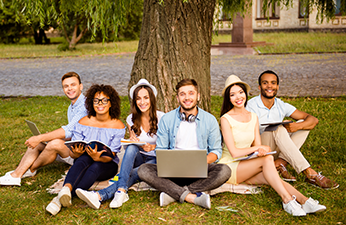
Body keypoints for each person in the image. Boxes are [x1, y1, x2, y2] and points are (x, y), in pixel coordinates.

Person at [218, 75, 326, 216]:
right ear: (228, 98)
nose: (238, 97)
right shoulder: (226, 119)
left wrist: (261, 150)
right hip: (229, 166)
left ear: (245, 93)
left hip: (246, 164)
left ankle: (304, 201)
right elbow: (234, 153)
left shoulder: (253, 117)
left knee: (272, 177)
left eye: (240, 92)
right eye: (232, 94)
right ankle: (287, 200)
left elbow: (258, 146)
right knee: (267, 161)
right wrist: (258, 149)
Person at [137, 78, 231, 209]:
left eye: (191, 93)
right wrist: (169, 161)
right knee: (144, 170)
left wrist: (202, 161)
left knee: (224, 171)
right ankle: (191, 196)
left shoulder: (210, 120)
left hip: (199, 171)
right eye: (182, 94)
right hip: (172, 172)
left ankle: (173, 194)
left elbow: (216, 151)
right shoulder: (167, 119)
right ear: (177, 98)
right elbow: (161, 149)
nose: (187, 97)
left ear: (198, 96)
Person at [0, 72, 87, 187]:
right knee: (38, 144)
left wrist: (40, 137)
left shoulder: (84, 106)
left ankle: (29, 170)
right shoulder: (72, 106)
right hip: (71, 146)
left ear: (81, 86)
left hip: (81, 153)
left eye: (73, 85)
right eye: (66, 86)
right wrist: (46, 138)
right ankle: (16, 174)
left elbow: (68, 130)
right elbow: (72, 133)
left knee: (54, 143)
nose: (69, 89)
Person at [76, 79, 165, 209]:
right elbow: (132, 141)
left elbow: (169, 145)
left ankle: (104, 195)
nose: (142, 102)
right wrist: (133, 141)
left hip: (156, 159)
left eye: (146, 97)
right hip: (139, 157)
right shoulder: (131, 118)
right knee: (132, 146)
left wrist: (153, 147)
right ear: (135, 101)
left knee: (135, 173)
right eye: (138, 98)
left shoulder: (162, 117)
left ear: (152, 99)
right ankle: (121, 191)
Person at [245, 70, 339, 190]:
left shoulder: (281, 105)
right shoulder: (251, 105)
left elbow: (313, 120)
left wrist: (297, 126)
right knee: (278, 128)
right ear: (259, 87)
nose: (269, 86)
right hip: (260, 149)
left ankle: (279, 163)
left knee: (302, 125)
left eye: (273, 83)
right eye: (265, 83)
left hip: (278, 147)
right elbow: (246, 134)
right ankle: (310, 173)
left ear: (277, 86)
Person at [46, 84, 125, 216]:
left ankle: (58, 199)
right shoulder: (83, 122)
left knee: (95, 167)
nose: (100, 103)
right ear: (91, 103)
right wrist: (75, 153)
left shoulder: (118, 125)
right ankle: (65, 190)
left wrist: (98, 157)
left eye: (104, 100)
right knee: (82, 159)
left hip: (106, 163)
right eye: (96, 100)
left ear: (111, 103)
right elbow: (73, 151)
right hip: (84, 158)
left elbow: (112, 155)